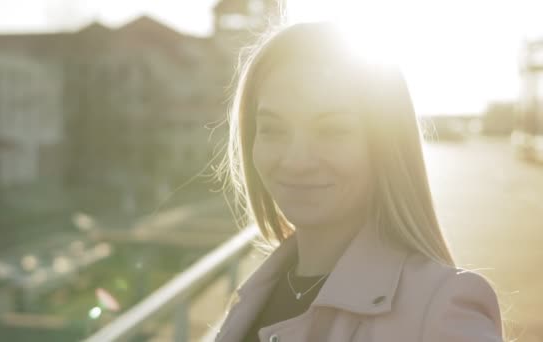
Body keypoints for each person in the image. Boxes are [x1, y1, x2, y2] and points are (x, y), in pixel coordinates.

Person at [214, 22, 503, 342]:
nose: (296, 161)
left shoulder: (440, 309)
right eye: (272, 129)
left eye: (332, 130)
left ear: (385, 146)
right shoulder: (252, 298)